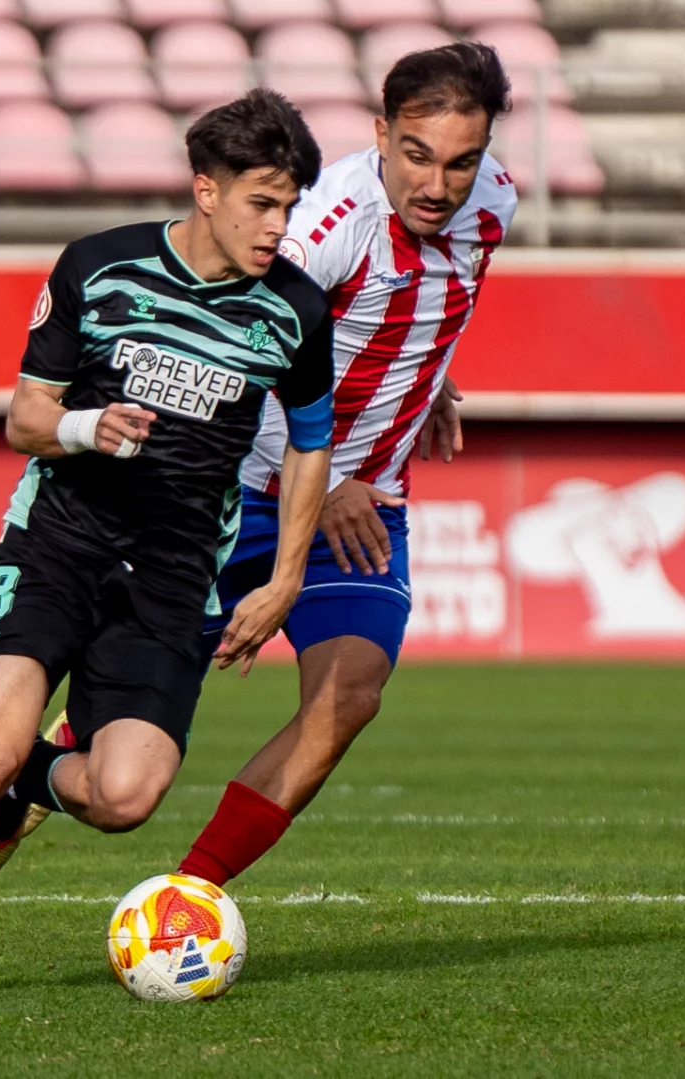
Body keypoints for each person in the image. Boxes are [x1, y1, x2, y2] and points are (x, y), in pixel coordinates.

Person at [0, 89, 337, 1003]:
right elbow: (25, 419)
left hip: (174, 577)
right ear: (205, 189)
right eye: (263, 201)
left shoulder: (293, 309)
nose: (279, 225)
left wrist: (286, 576)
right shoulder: (100, 268)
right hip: (58, 544)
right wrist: (90, 428)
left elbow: (311, 439)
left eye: (290, 206)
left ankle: (25, 786)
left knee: (126, 797)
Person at [174, 43, 520, 889]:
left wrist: (427, 375)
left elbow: (430, 301)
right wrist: (323, 483)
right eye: (415, 156)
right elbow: (241, 371)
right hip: (245, 490)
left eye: (460, 162)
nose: (436, 186)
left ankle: (189, 897)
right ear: (379, 135)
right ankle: (24, 790)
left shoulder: (496, 205)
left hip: (368, 507)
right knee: (133, 717)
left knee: (349, 693)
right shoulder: (326, 229)